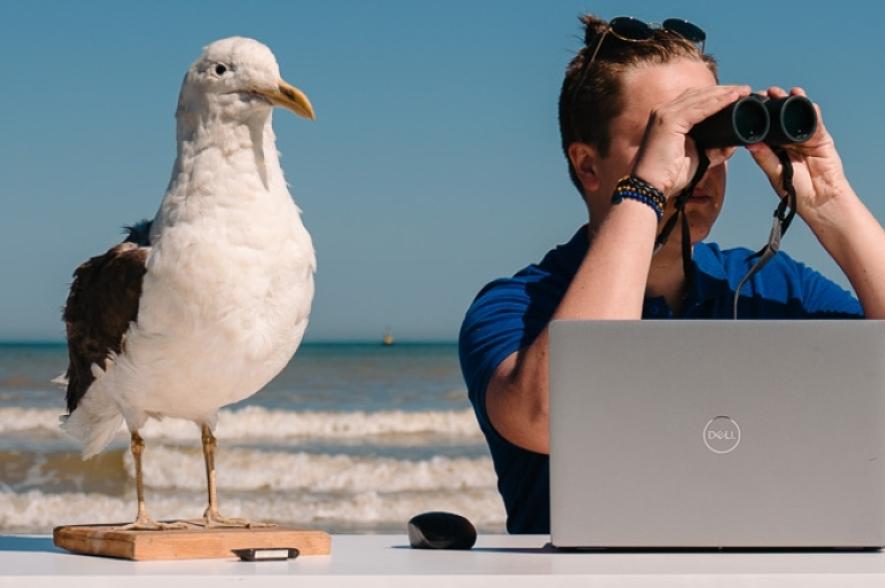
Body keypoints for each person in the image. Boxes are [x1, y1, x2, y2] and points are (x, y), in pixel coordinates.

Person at [458, 14, 885, 534]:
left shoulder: (772, 286)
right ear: (588, 165)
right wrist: (645, 192)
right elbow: (550, 419)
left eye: (710, 136)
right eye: (671, 136)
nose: (698, 163)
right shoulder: (518, 307)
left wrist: (831, 200)